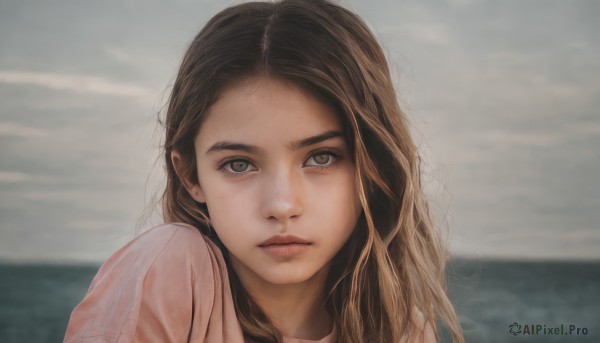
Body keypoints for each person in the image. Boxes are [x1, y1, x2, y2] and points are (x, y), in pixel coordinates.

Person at [64, 0, 464, 342]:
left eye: (321, 157)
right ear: (191, 177)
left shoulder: (400, 328)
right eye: (238, 165)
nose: (282, 205)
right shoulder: (170, 268)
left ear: (373, 163)